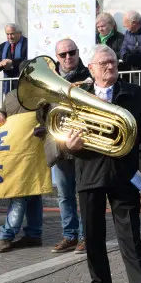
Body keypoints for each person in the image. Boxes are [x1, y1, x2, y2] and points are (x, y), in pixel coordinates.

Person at [63, 45, 141, 283]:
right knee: (93, 239)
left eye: (112, 61)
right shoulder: (78, 95)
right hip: (89, 175)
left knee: (132, 240)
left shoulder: (134, 94)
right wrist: (69, 147)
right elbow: (63, 135)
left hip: (124, 175)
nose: (110, 66)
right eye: (103, 63)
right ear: (91, 67)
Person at [48, 40, 91, 254]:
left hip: (82, 143)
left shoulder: (87, 76)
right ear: (57, 57)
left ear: (78, 52)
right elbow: (44, 108)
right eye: (63, 54)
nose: (67, 57)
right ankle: (70, 235)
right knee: (64, 194)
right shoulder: (50, 79)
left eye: (71, 52)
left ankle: (85, 236)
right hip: (60, 145)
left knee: (83, 192)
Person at [0, 88, 44, 253]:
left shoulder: (42, 95)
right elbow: (2, 114)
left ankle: (7, 236)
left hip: (32, 152)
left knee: (27, 194)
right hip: (21, 153)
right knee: (26, 193)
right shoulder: (10, 96)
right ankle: (33, 233)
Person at [0, 24, 28, 92]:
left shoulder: (28, 44)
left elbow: (29, 60)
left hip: (24, 83)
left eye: (12, 34)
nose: (10, 37)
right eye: (7, 34)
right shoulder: (1, 47)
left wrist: (12, 63)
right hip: (8, 85)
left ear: (19, 33)